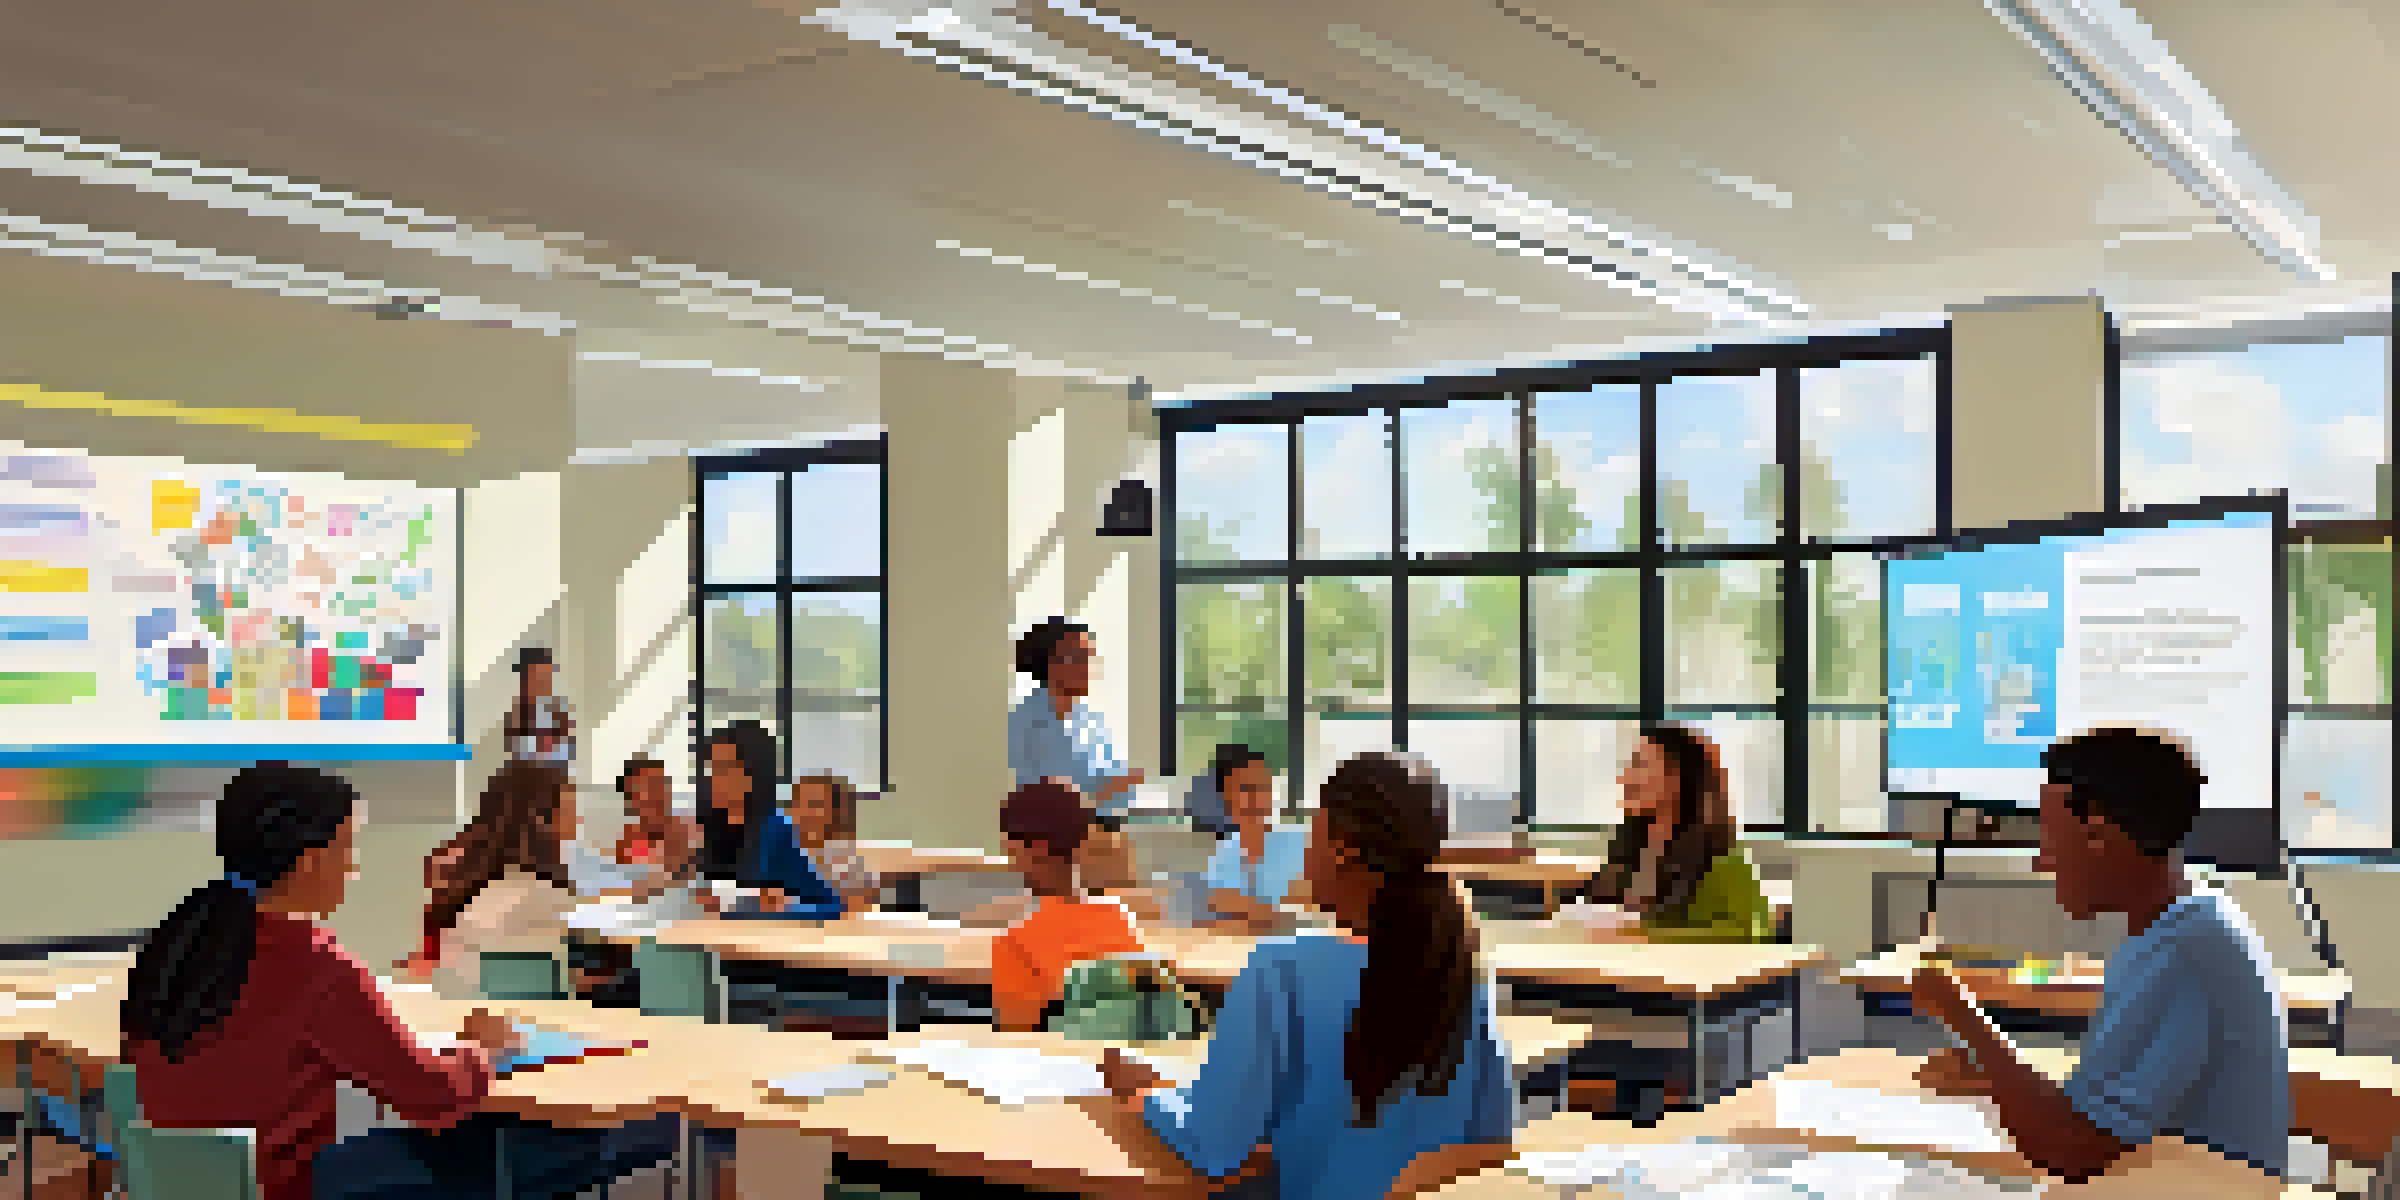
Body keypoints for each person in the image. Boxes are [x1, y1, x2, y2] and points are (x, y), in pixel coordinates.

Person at [120, 762, 675, 1200]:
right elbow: (430, 1092)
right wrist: (483, 1049)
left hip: (211, 1186)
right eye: (349, 851)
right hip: (293, 1188)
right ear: (312, 861)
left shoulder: (179, 946)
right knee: (538, 1146)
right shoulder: (313, 962)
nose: (354, 870)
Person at [1097, 752, 1515, 1199]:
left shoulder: (1279, 973)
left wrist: (1146, 1094)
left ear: (1342, 847)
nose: (1303, 843)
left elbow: (1211, 1144)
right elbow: (1491, 1141)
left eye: (1314, 824)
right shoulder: (1462, 966)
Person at [1909, 728, 2290, 1183]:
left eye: (2049, 837)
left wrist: (1962, 1015)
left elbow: (2070, 1149)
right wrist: (1994, 1076)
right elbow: (2094, 1108)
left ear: (2097, 837)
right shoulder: (2190, 918)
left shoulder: (2181, 951)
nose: (2041, 861)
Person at [1567, 724, 1774, 944]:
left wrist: (1643, 936)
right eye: (1627, 766)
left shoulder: (1722, 855)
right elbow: (1606, 911)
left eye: (1640, 765)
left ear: (1679, 776)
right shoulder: (1630, 843)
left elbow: (1745, 932)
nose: (1626, 777)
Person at [412, 761, 582, 1001]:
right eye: (570, 808)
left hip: (456, 1007)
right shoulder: (541, 891)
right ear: (541, 817)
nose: (578, 819)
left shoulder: (473, 875)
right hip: (510, 1016)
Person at [991, 779, 1146, 1032]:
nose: (1009, 858)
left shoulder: (1016, 943)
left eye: (1010, 845)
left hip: (1060, 1067)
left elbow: (1016, 1046)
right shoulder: (1120, 919)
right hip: (1118, 1062)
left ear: (1036, 849)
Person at [1009, 618, 1145, 886]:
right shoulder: (1024, 720)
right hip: (1052, 847)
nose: (1088, 668)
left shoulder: (1091, 719)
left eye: (1090, 658)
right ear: (1050, 664)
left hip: (1104, 834)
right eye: (1078, 658)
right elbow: (1032, 797)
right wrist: (1100, 792)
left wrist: (1120, 784)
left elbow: (1118, 783)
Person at [694, 720, 846, 919]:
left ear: (750, 773)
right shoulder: (703, 828)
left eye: (723, 768)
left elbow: (831, 907)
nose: (712, 778)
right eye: (711, 768)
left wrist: (788, 906)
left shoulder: (778, 832)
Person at [1199, 744, 1309, 933]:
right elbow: (1221, 922)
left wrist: (1245, 908)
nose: (1258, 798)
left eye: (1264, 787)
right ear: (1226, 798)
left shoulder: (1303, 843)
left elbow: (1308, 914)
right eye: (1246, 789)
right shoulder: (1222, 860)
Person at [788, 770, 881, 913]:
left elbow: (854, 909)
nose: (804, 810)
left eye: (814, 804)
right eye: (798, 802)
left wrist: (789, 905)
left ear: (833, 811)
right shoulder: (784, 847)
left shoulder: (842, 856)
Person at [503, 646, 573, 766]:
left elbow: (568, 750)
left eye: (546, 676)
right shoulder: (517, 712)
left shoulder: (559, 709)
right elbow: (516, 751)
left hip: (555, 773)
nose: (544, 682)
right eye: (536, 676)